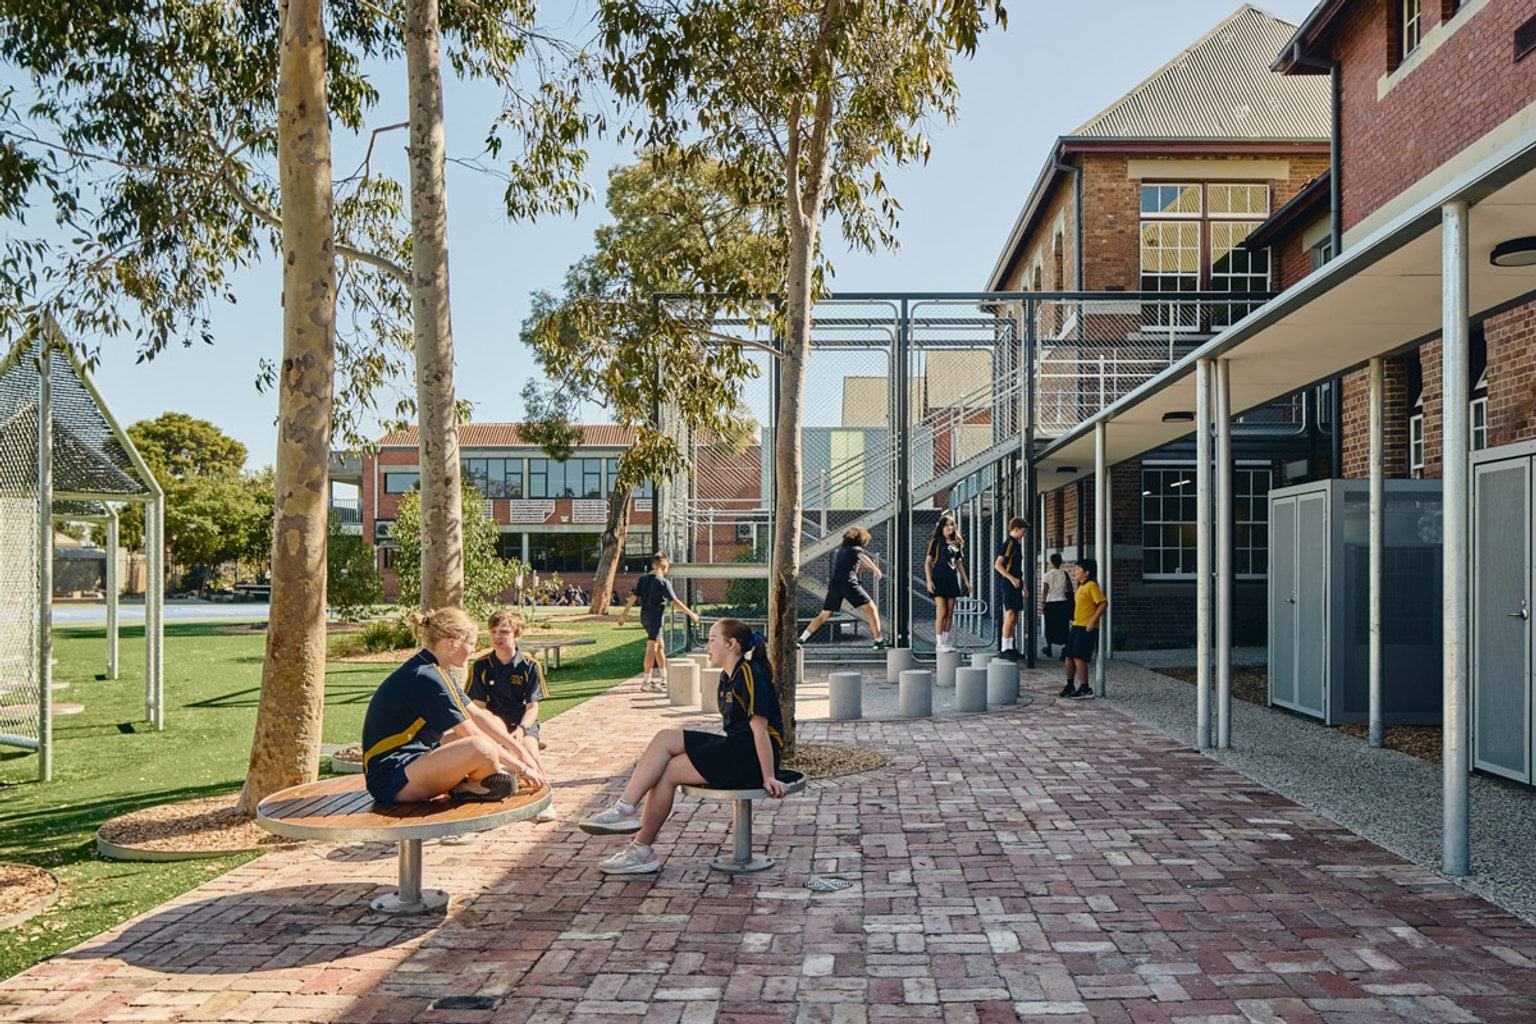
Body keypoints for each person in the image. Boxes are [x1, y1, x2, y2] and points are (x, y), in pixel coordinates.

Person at [579, 618, 788, 874]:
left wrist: (768, 776)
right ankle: (629, 823)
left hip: (753, 759)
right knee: (666, 744)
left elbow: (760, 730)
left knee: (669, 766)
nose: (706, 646)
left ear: (731, 644)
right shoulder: (727, 676)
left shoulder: (749, 674)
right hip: (738, 750)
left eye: (712, 640)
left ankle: (636, 839)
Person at [360, 608, 546, 805]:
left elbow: (477, 715)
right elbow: (469, 732)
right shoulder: (426, 677)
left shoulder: (434, 670)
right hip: (392, 780)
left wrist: (520, 751)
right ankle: (469, 786)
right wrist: (521, 767)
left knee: (495, 724)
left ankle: (472, 784)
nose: (474, 649)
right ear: (452, 643)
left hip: (415, 760)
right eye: (471, 643)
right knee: (481, 748)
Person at [467, 609, 556, 822]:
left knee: (529, 751)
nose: (498, 637)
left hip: (522, 721)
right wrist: (496, 733)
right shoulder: (481, 666)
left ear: (517, 635)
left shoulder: (530, 666)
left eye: (504, 632)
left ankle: (545, 798)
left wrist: (522, 729)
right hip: (493, 721)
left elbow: (533, 706)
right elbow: (479, 707)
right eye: (494, 631)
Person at [618, 552, 700, 692]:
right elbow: (675, 602)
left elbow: (633, 598)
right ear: (665, 567)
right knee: (652, 648)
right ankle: (646, 682)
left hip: (644, 618)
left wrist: (623, 615)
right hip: (656, 618)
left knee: (660, 645)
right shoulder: (663, 582)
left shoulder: (643, 579)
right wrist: (691, 613)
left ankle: (664, 677)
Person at [796, 526, 886, 650]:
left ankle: (801, 639)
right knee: (871, 609)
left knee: (823, 615)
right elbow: (863, 557)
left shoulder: (842, 551)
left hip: (835, 584)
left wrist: (868, 569)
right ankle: (878, 641)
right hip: (848, 583)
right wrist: (876, 568)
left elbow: (851, 569)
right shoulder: (856, 549)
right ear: (861, 540)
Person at [1060, 558, 1106, 700]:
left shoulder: (1092, 586)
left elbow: (1103, 603)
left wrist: (1092, 622)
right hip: (1076, 624)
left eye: (1078, 569)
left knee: (1079, 657)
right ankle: (1070, 684)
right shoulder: (1081, 586)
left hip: (1086, 626)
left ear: (1086, 572)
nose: (1075, 572)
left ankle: (1085, 687)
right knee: (1068, 656)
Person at [925, 512, 970, 653]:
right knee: (942, 610)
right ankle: (938, 643)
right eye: (947, 525)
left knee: (950, 612)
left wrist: (966, 581)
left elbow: (958, 563)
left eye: (952, 525)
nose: (950, 527)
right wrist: (929, 581)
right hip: (938, 580)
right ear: (942, 527)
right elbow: (927, 563)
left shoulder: (956, 543)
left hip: (951, 580)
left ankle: (945, 642)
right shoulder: (936, 542)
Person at [992, 516, 1028, 661]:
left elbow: (1017, 569)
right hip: (1009, 583)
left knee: (1015, 616)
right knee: (1010, 615)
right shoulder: (1009, 544)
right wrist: (1012, 579)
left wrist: (1023, 585)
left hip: (1016, 583)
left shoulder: (1016, 544)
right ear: (1016, 529)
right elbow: (998, 564)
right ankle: (1004, 647)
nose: (1023, 534)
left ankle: (1011, 647)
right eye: (1023, 531)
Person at [1040, 553, 1073, 659]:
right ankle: (1064, 649)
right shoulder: (1064, 574)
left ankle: (1048, 648)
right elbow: (1069, 588)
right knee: (1063, 626)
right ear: (1061, 562)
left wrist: (1043, 604)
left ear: (1051, 562)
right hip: (1063, 602)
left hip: (1051, 603)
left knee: (1050, 625)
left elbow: (1045, 591)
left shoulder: (1047, 575)